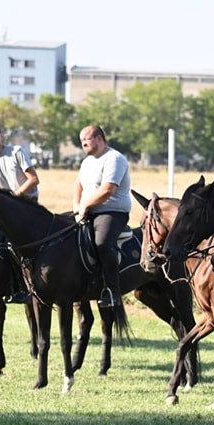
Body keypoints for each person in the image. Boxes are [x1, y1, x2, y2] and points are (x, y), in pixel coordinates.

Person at [0, 120, 40, 303]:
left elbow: (34, 179)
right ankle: (6, 285)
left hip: (26, 205)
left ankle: (26, 287)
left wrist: (15, 196)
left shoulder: (16, 152)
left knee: (14, 245)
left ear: (1, 135)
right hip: (8, 211)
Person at [73, 125, 131, 310]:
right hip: (87, 210)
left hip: (112, 212)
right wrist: (77, 206)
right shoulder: (87, 162)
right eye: (81, 139)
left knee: (102, 243)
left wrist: (86, 205)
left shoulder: (114, 159)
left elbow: (108, 190)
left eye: (86, 138)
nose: (83, 142)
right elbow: (78, 186)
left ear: (99, 138)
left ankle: (112, 292)